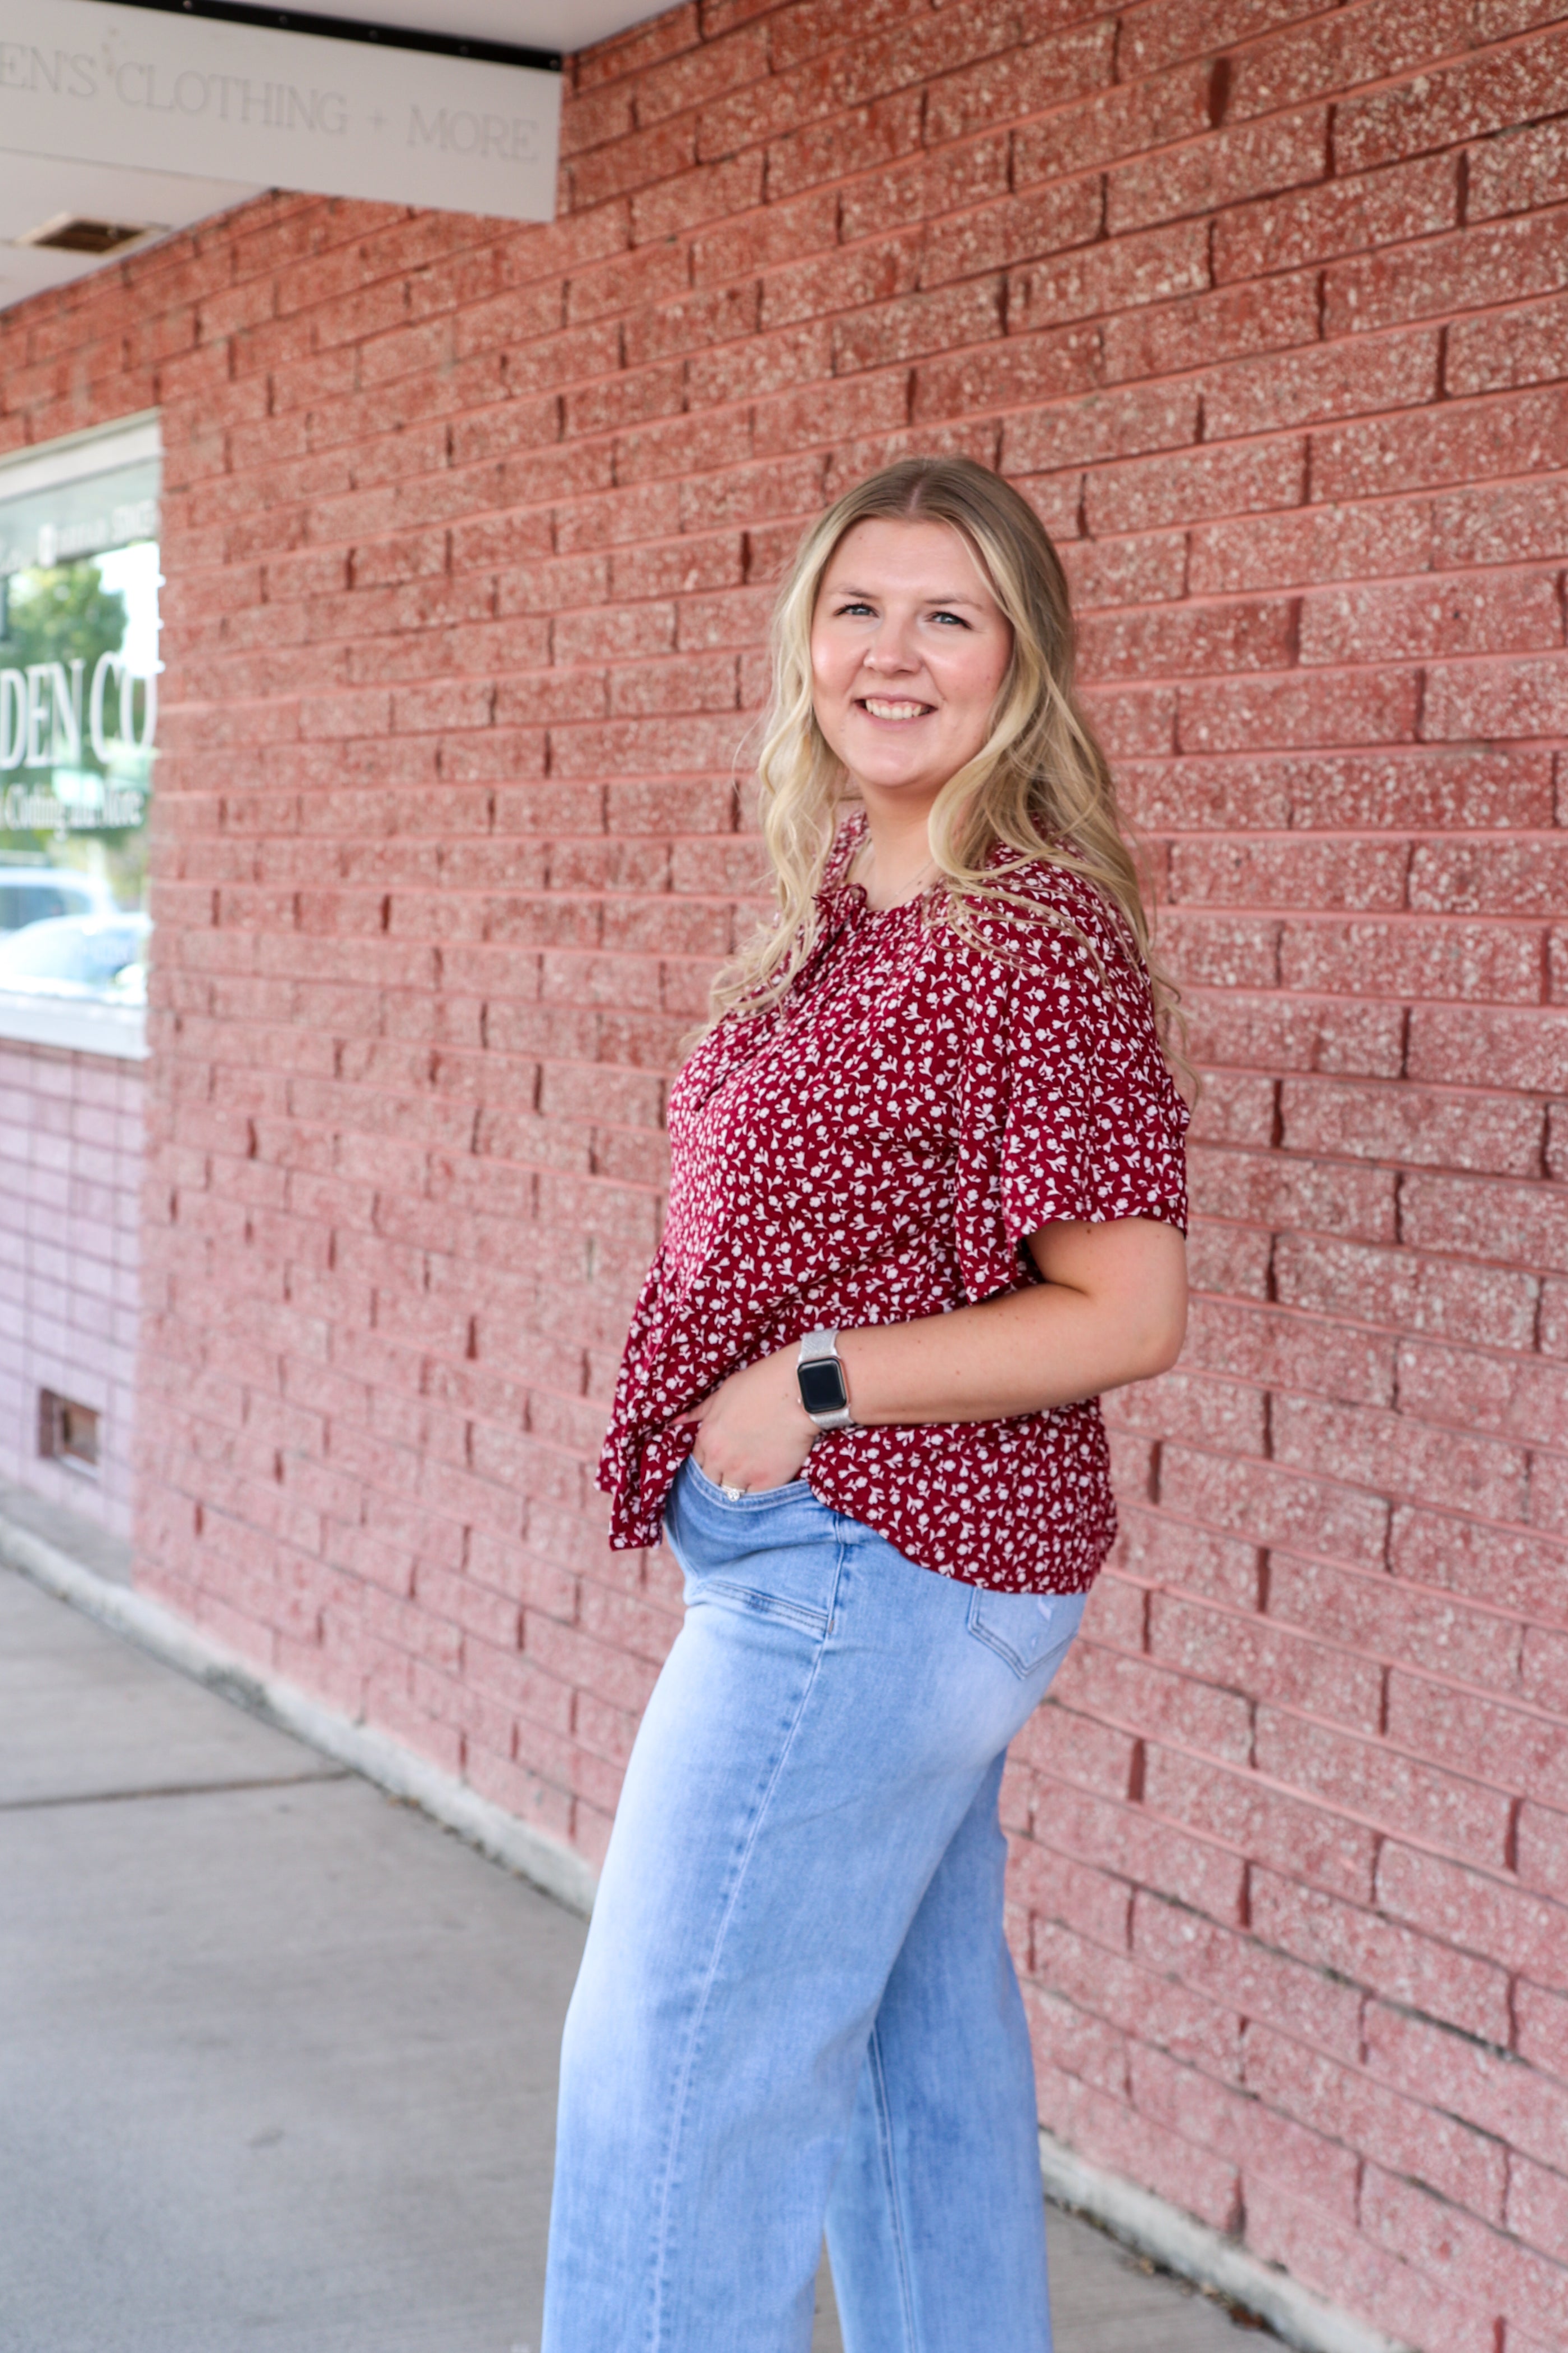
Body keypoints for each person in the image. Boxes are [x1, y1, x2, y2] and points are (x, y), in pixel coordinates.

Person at [541, 456, 1190, 2353]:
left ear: (1022, 664)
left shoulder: (1028, 942)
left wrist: (813, 1383)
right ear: (803, 641)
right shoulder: (848, 906)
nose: (890, 654)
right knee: (917, 2093)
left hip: (874, 1570)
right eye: (857, 608)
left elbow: (1129, 1304)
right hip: (868, 1568)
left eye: (948, 616)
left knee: (666, 2073)